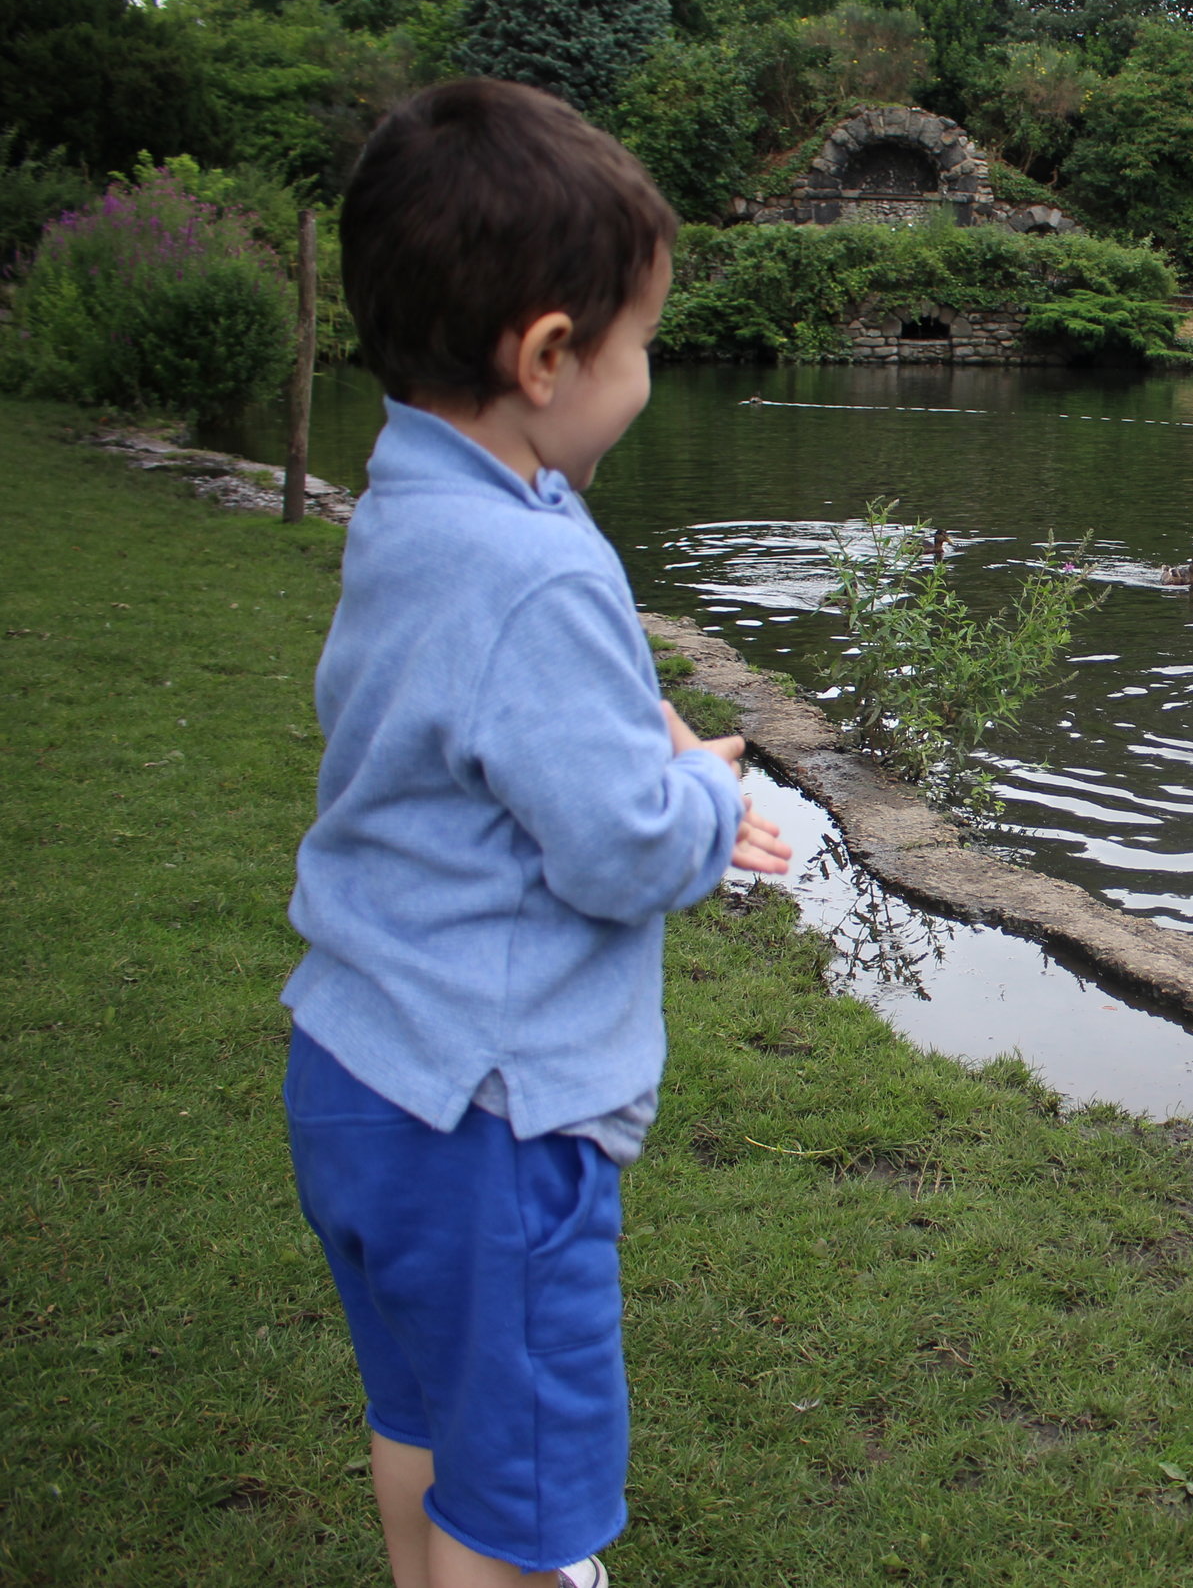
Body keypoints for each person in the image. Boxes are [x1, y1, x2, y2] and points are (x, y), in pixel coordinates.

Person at [282, 78, 791, 1588]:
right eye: (642, 344)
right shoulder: (535, 571)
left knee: (424, 1425)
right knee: (522, 1516)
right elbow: (622, 853)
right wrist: (703, 797)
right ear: (552, 354)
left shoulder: (418, 499)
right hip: (490, 1122)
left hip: (359, 1075)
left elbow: (489, 716)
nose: (650, 374)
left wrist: (650, 740)